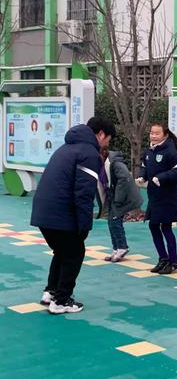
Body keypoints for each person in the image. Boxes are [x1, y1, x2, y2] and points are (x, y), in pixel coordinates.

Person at [31, 116, 116, 314]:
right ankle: (61, 301)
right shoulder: (88, 153)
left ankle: (51, 292)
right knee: (75, 253)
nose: (105, 145)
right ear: (101, 134)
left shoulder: (67, 147)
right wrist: (84, 225)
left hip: (44, 212)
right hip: (60, 213)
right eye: (107, 140)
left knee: (62, 251)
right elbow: (83, 193)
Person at [136, 123, 177, 274]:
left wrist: (162, 178)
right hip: (154, 196)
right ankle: (163, 259)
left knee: (166, 227)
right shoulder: (149, 151)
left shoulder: (170, 151)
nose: (153, 136)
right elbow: (145, 166)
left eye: (157, 133)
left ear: (165, 135)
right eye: (151, 133)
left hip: (168, 197)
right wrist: (142, 176)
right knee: (153, 226)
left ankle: (174, 261)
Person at [102, 148, 143, 263]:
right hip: (115, 196)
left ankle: (122, 247)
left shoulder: (115, 163)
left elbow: (124, 178)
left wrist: (118, 198)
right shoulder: (105, 163)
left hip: (124, 197)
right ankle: (116, 248)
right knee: (111, 221)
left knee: (115, 220)